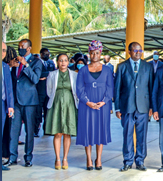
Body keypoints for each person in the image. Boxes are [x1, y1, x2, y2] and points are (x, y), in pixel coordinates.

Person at [114, 42, 153, 172]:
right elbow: (117, 88)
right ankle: (128, 161)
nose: (138, 53)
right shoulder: (121, 67)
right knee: (127, 135)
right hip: (127, 107)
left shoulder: (148, 67)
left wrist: (152, 107)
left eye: (140, 50)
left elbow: (151, 88)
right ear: (129, 51)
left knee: (142, 136)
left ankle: (140, 161)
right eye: (135, 50)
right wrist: (118, 108)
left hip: (143, 107)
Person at [76, 40, 114, 170]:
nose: (94, 55)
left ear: (101, 53)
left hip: (102, 105)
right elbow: (79, 89)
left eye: (97, 53)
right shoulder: (83, 70)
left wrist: (103, 102)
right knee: (87, 130)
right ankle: (88, 158)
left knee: (100, 130)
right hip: (86, 105)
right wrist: (88, 102)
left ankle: (99, 158)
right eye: (92, 53)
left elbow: (110, 88)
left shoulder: (107, 70)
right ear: (89, 53)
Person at [6, 39, 43, 168]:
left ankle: (28, 158)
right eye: (19, 46)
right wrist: (12, 66)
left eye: (22, 46)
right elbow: (12, 80)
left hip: (29, 102)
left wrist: (26, 65)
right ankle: (12, 157)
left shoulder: (36, 62)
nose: (20, 48)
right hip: (16, 101)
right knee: (13, 131)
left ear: (29, 48)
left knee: (29, 130)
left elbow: (35, 79)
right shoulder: (16, 61)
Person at [45, 53, 78, 170]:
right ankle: (57, 158)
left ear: (68, 62)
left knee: (67, 132)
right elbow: (49, 91)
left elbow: (76, 90)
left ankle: (65, 158)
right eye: (60, 60)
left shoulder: (74, 75)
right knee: (58, 132)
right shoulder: (52, 74)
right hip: (56, 104)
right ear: (57, 62)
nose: (63, 63)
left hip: (70, 104)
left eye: (65, 60)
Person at [35, 48, 55, 137]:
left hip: (49, 91)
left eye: (48, 54)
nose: (47, 55)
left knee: (48, 111)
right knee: (37, 112)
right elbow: (38, 74)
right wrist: (47, 74)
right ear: (41, 54)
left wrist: (45, 75)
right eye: (45, 54)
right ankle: (35, 130)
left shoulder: (51, 63)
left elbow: (54, 73)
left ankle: (47, 130)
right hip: (39, 91)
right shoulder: (37, 62)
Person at [1, 43, 14, 171]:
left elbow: (9, 88)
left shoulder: (5, 67)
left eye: (4, 50)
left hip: (2, 104)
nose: (2, 52)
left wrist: (10, 106)